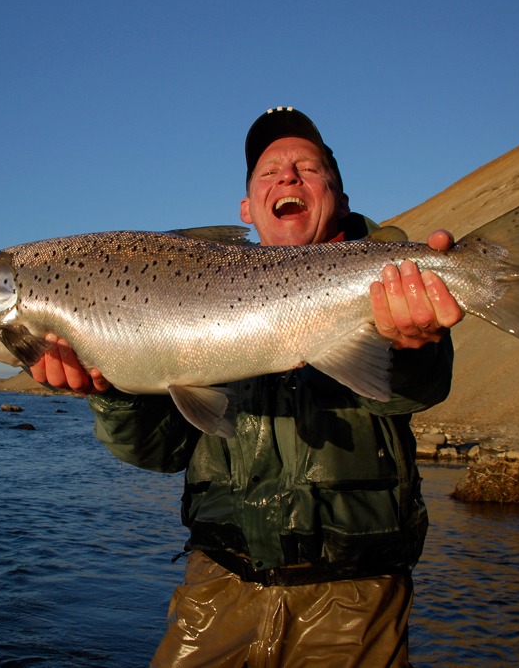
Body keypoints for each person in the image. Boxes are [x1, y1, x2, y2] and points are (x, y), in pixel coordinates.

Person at [31, 107, 463, 667]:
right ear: (246, 209)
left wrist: (413, 346)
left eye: (307, 166)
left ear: (340, 196)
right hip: (216, 590)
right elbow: (158, 451)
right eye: (269, 171)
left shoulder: (392, 285)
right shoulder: (184, 300)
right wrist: (109, 391)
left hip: (356, 602)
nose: (287, 176)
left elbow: (416, 392)